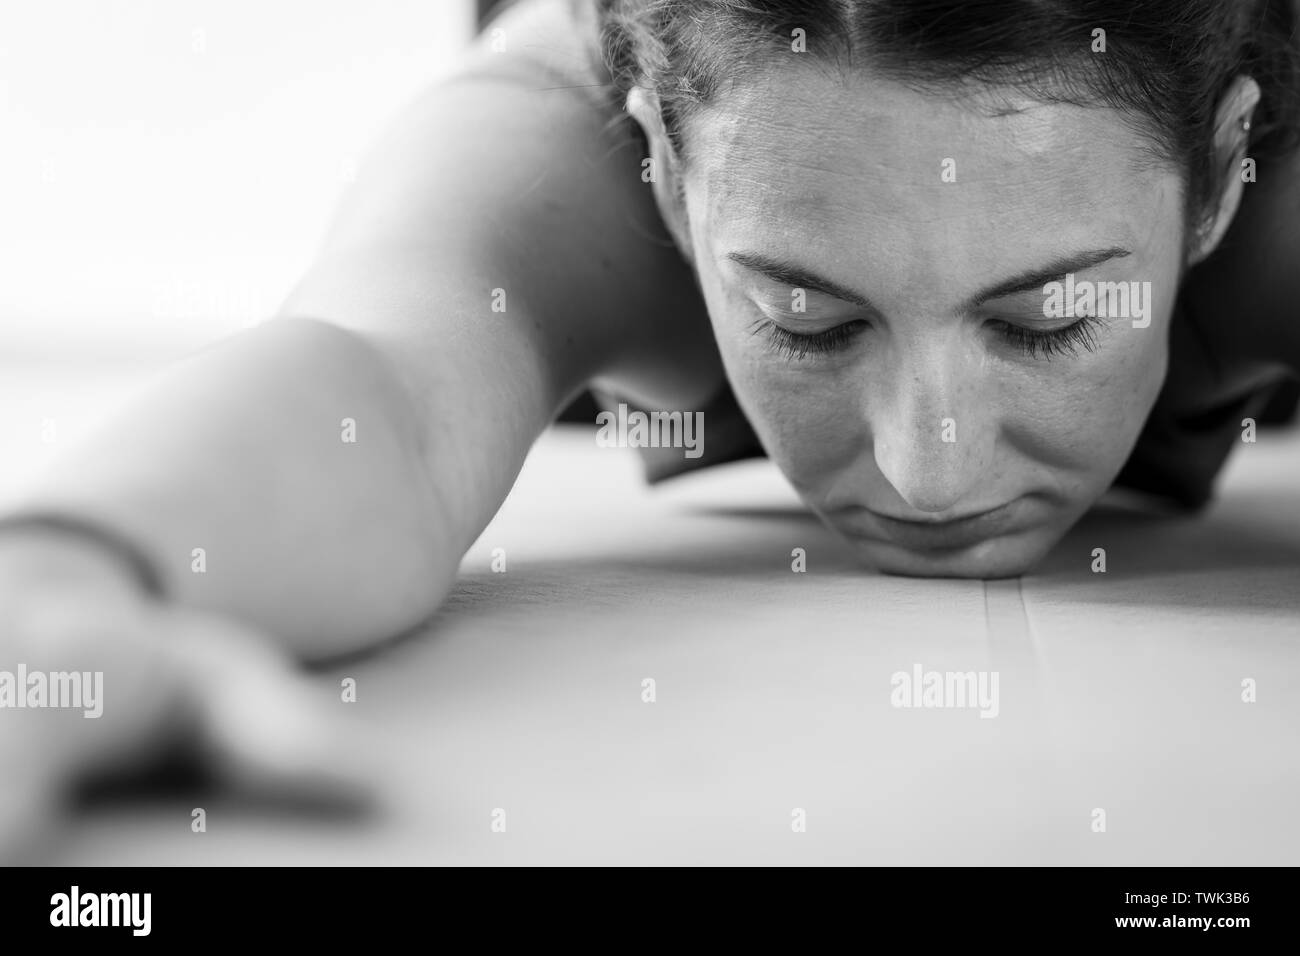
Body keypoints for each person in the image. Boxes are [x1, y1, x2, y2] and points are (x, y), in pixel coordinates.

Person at [1, 0, 1297, 853]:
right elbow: (383, 393)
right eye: (805, 317)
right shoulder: (564, 162)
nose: (928, 463)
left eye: (1048, 319)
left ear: (1226, 175)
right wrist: (63, 578)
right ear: (666, 173)